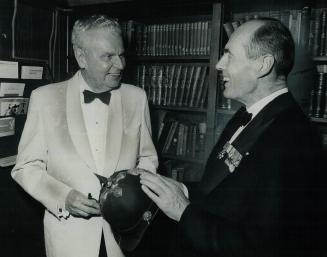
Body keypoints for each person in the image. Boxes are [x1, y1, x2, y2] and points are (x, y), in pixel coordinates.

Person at [140, 18, 326, 257]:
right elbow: (227, 192)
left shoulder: (292, 138)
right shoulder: (249, 113)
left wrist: (183, 211)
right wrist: (184, 190)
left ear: (263, 65)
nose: (218, 64)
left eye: (229, 55)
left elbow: (264, 246)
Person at [11, 15, 158, 257]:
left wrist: (132, 196)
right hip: (69, 239)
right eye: (108, 57)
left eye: (121, 54)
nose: (120, 65)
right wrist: (63, 197)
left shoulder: (136, 98)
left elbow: (148, 159)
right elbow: (25, 167)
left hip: (124, 239)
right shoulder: (44, 99)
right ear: (81, 57)